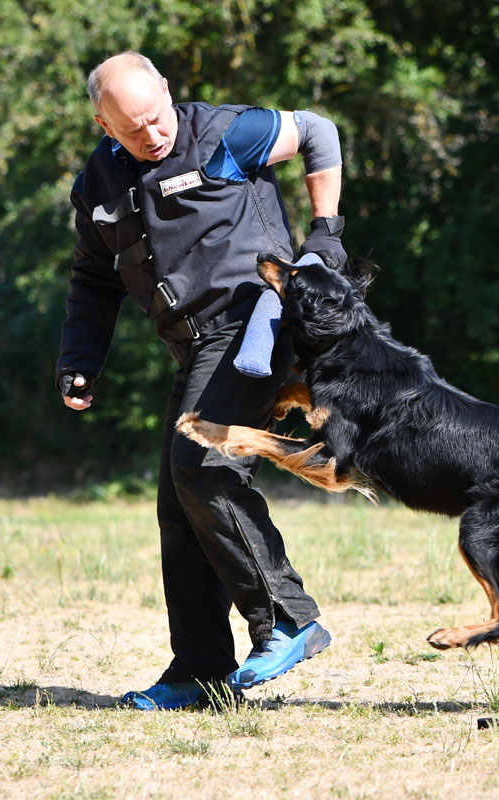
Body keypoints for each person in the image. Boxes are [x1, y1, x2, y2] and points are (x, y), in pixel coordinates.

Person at [56, 52, 347, 710]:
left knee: (203, 468)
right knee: (179, 507)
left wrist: (326, 233)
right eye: (131, 129)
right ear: (102, 122)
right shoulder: (98, 185)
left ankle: (289, 620)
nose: (151, 135)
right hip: (195, 348)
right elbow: (94, 282)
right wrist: (80, 358)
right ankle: (200, 671)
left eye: (156, 118)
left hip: (254, 324)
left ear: (166, 92)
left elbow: (320, 130)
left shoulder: (221, 133)